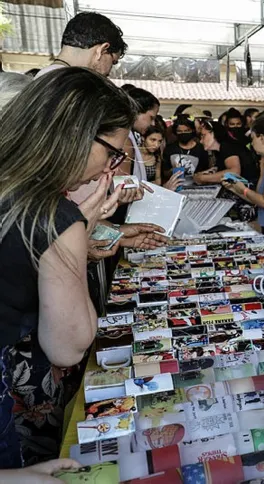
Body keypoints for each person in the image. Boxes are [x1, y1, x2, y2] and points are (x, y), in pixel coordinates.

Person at [0, 67, 136, 466]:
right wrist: (79, 233)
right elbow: (69, 345)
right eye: (113, 152)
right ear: (77, 134)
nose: (111, 168)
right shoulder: (55, 215)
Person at [35, 12, 126, 78]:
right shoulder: (72, 87)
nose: (109, 72)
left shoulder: (43, 77)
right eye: (113, 62)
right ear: (101, 50)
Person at [122, 88, 160, 183]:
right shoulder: (125, 140)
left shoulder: (130, 135)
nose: (153, 123)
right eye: (151, 117)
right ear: (136, 111)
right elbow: (123, 184)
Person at [194, 120, 245, 185]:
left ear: (214, 133)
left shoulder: (227, 146)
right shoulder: (219, 151)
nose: (201, 141)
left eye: (203, 135)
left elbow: (234, 173)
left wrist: (203, 178)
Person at [162, 115, 209, 181]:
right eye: (179, 131)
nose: (183, 133)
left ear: (192, 130)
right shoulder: (169, 149)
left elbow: (205, 171)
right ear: (175, 132)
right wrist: (173, 171)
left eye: (187, 130)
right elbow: (164, 173)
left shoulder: (201, 149)